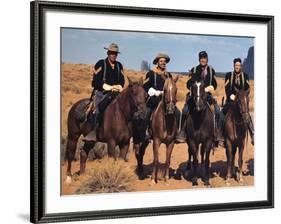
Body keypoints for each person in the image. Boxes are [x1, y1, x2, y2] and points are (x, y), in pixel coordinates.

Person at [176, 51, 223, 145]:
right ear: (199, 59)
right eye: (201, 58)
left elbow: (214, 83)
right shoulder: (194, 69)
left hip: (207, 96)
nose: (203, 60)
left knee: (217, 110)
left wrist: (209, 88)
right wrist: (193, 88)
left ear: (207, 59)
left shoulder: (211, 70)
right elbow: (188, 83)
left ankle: (217, 132)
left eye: (204, 58)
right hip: (195, 95)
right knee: (185, 110)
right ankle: (182, 132)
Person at [83, 43, 125, 141]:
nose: (114, 55)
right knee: (97, 111)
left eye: (115, 53)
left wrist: (119, 86)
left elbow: (122, 80)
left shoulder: (119, 65)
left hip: (116, 94)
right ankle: (93, 132)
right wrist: (107, 87)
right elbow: (95, 81)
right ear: (108, 53)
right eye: (112, 53)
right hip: (102, 93)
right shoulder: (101, 63)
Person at [143, 53, 180, 138]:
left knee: (178, 112)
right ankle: (145, 131)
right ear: (157, 62)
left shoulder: (168, 75)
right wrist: (155, 92)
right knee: (147, 112)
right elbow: (145, 86)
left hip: (166, 99)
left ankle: (176, 132)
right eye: (161, 61)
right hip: (154, 98)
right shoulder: (151, 73)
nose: (163, 63)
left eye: (164, 61)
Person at [224, 57, 254, 145]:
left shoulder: (245, 76)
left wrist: (243, 96)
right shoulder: (228, 75)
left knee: (247, 115)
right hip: (231, 101)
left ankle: (252, 133)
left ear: (241, 66)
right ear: (233, 66)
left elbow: (248, 88)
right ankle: (220, 135)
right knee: (222, 114)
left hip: (241, 102)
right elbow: (227, 88)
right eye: (236, 65)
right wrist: (231, 96)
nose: (237, 67)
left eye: (239, 65)